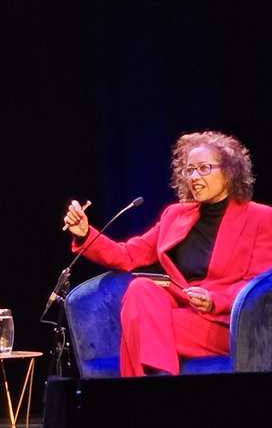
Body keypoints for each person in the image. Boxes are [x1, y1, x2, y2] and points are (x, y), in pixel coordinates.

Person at [62, 130, 272, 376]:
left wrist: (215, 300)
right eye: (189, 170)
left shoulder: (260, 218)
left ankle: (141, 403)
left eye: (204, 168)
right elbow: (127, 255)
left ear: (229, 172)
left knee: (140, 329)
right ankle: (159, 399)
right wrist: (85, 234)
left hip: (228, 322)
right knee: (141, 289)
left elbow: (261, 285)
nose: (194, 176)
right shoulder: (175, 215)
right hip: (182, 311)